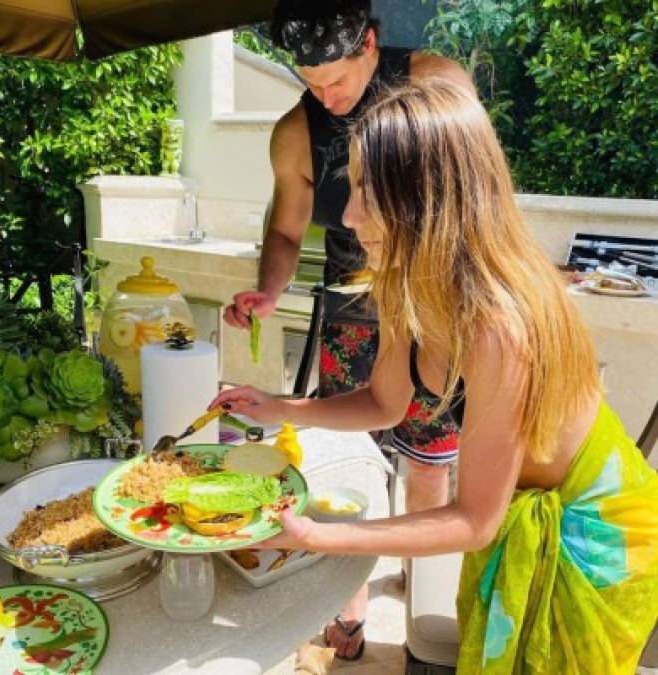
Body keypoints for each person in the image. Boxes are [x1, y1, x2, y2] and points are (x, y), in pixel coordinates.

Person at [212, 79, 658, 672]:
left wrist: (315, 537)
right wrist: (281, 407)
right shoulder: (406, 281)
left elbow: (474, 521)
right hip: (514, 508)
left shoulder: (499, 326)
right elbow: (385, 403)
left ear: (430, 198)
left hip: (594, 539)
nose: (347, 216)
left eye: (369, 192)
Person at [224, 0, 475, 658]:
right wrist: (268, 291)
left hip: (437, 311)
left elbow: (472, 196)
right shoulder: (294, 132)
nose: (327, 99)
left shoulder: (434, 85)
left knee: (427, 467)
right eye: (310, 85)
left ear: (370, 42)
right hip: (356, 314)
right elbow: (286, 227)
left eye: (336, 80)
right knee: (349, 466)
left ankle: (425, 614)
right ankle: (349, 617)